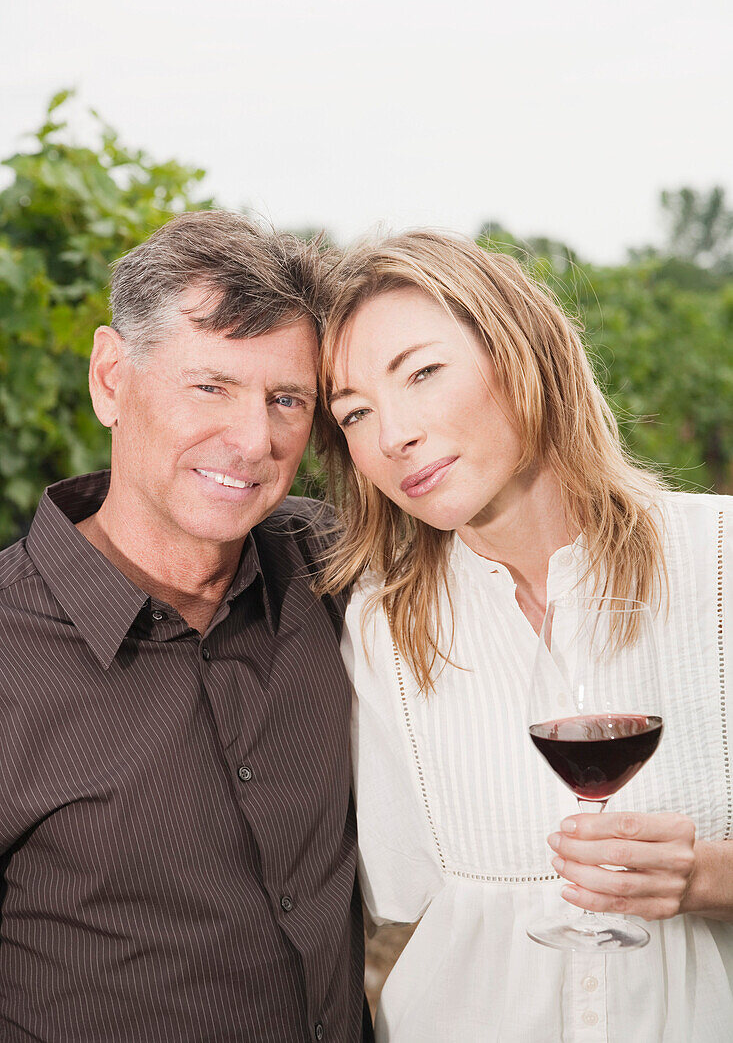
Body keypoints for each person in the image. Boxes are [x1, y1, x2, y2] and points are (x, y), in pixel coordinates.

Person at [315, 229, 733, 1042]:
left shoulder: (718, 566)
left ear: (522, 355)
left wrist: (709, 877)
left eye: (423, 373)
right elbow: (398, 895)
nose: (391, 434)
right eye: (355, 412)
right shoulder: (377, 629)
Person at [0, 211, 372, 1043]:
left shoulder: (339, 570)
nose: (251, 441)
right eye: (210, 387)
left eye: (286, 400)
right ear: (110, 378)